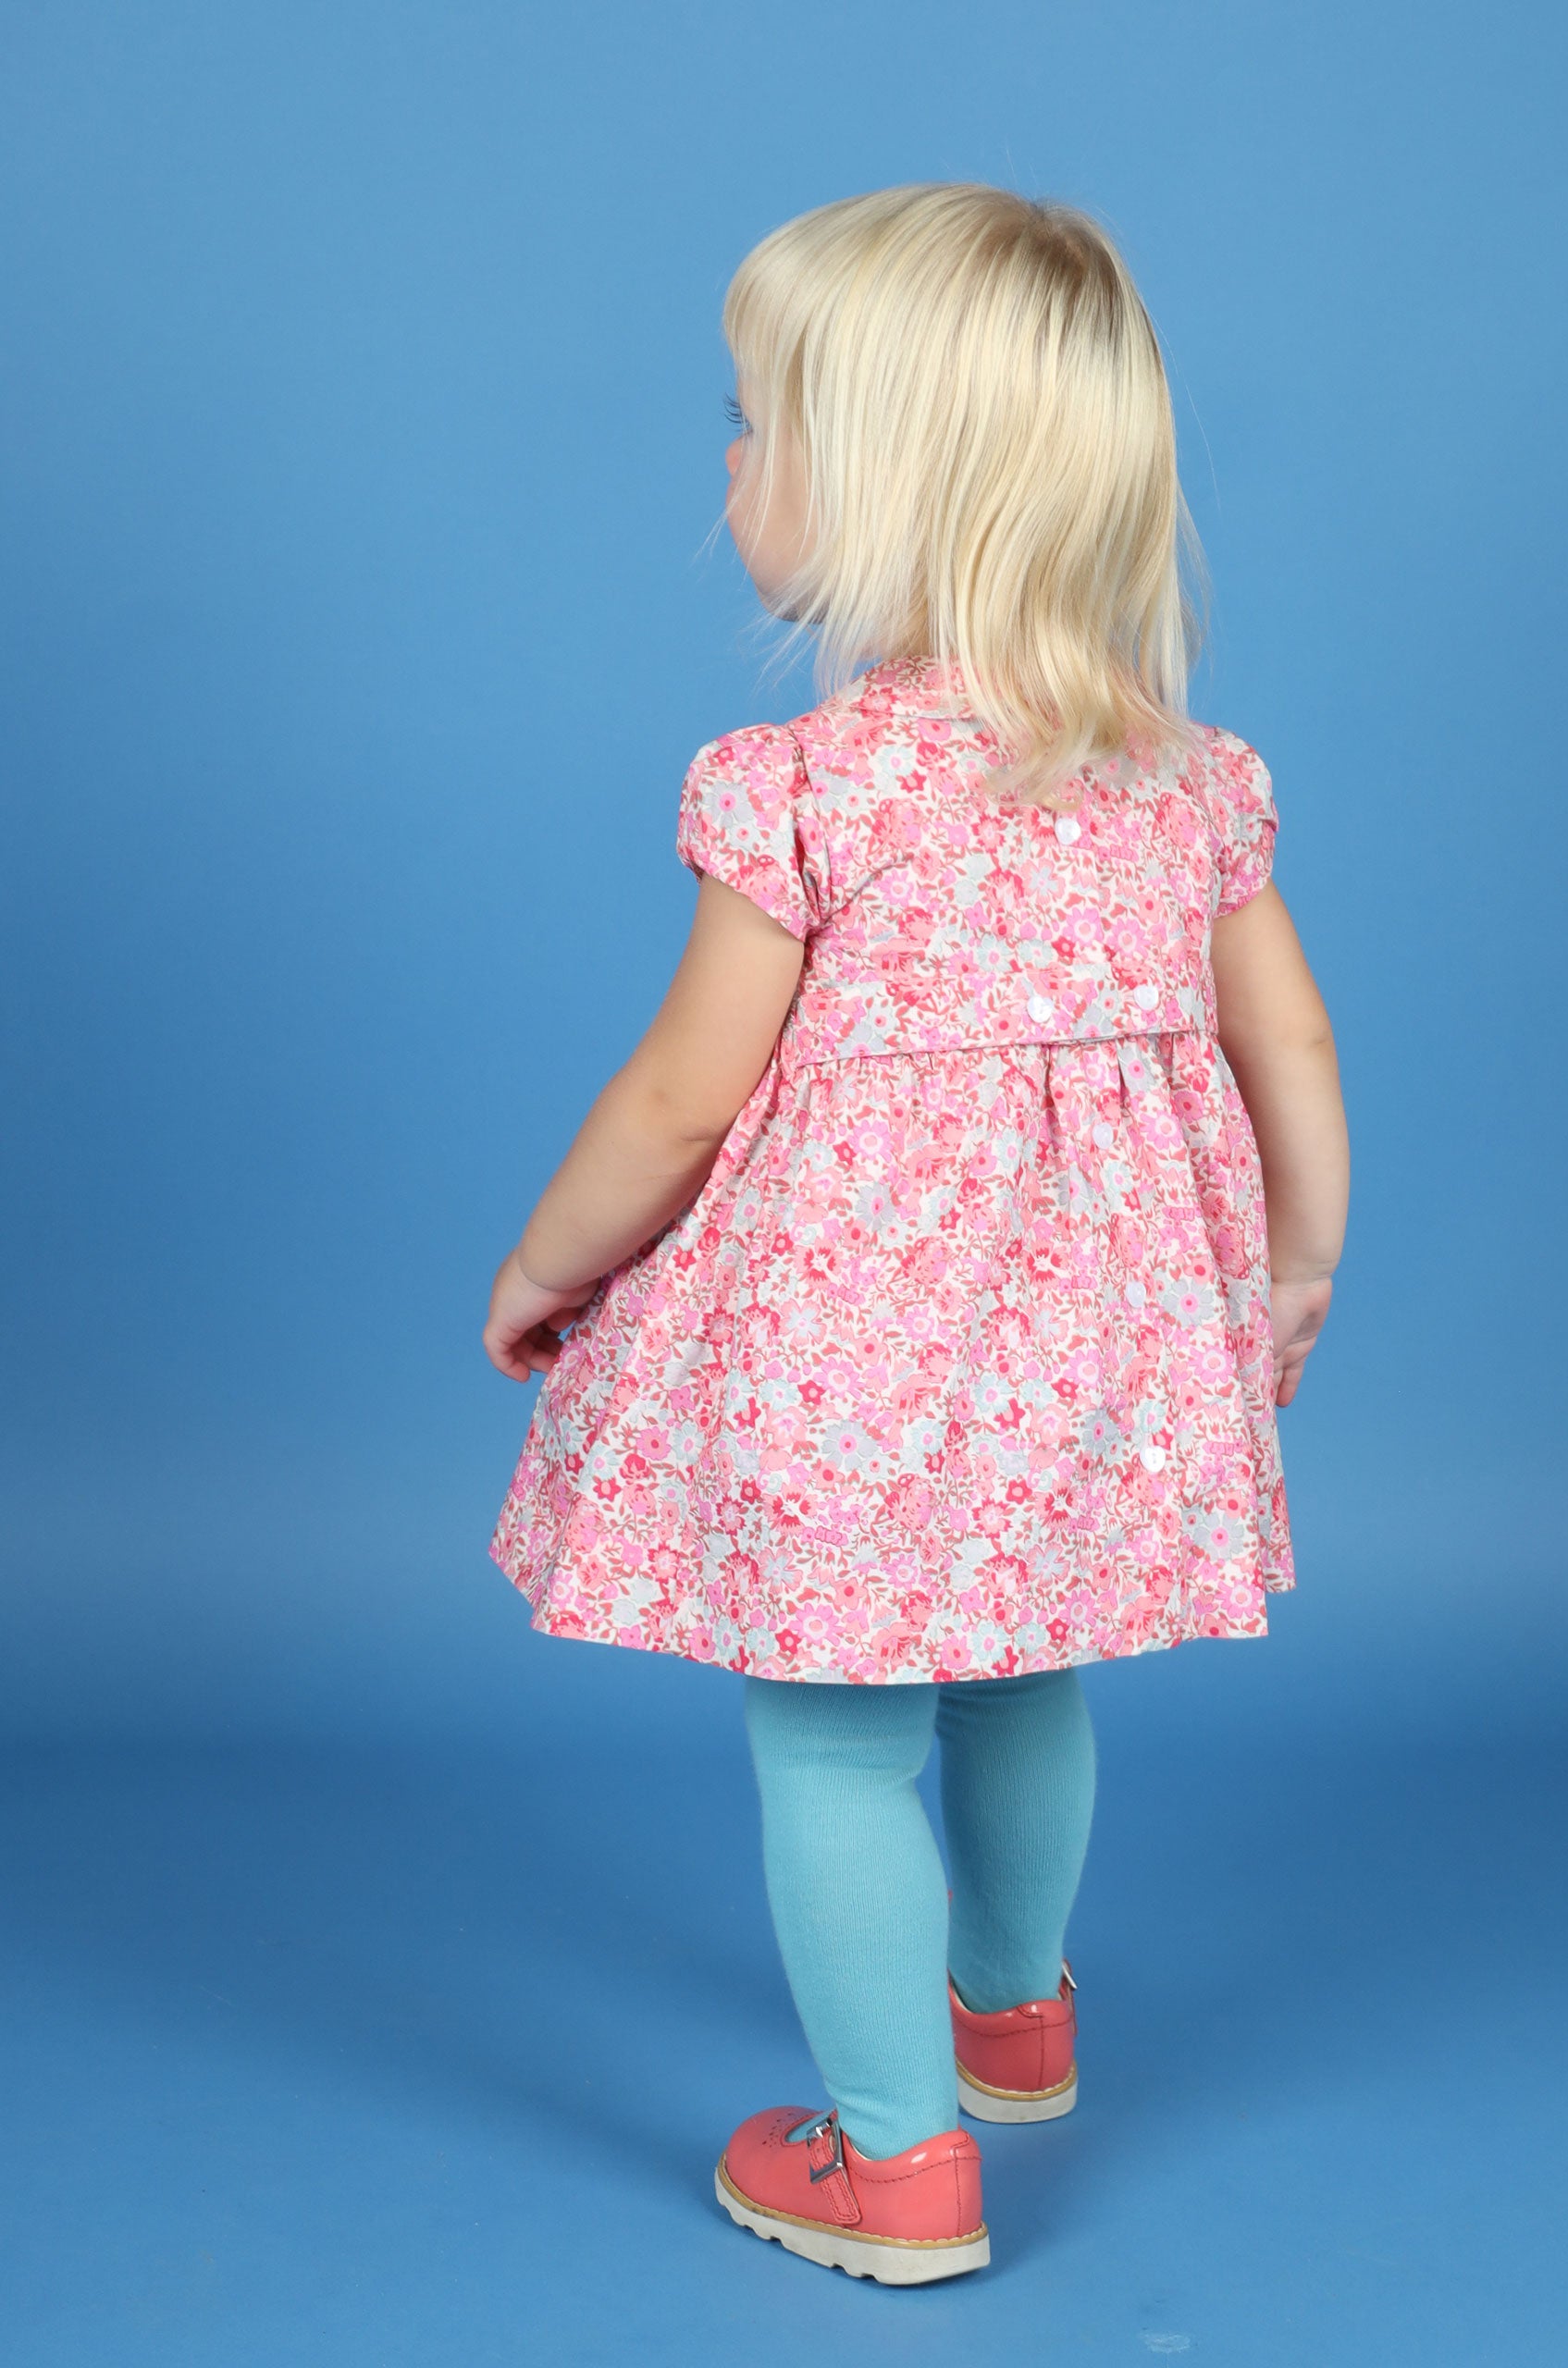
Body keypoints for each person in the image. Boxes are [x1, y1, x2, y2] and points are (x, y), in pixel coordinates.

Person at [481, 182, 1350, 2285]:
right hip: (1097, 1343)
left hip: (857, 1358)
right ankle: (1012, 2017)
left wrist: (544, 1264)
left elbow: (679, 1093)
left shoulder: (802, 786)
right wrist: (1298, 1256)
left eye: (755, 421)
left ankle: (898, 2164)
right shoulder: (1188, 776)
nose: (725, 460)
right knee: (1019, 1654)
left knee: (837, 1721)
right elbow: (1291, 1036)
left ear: (871, 491)